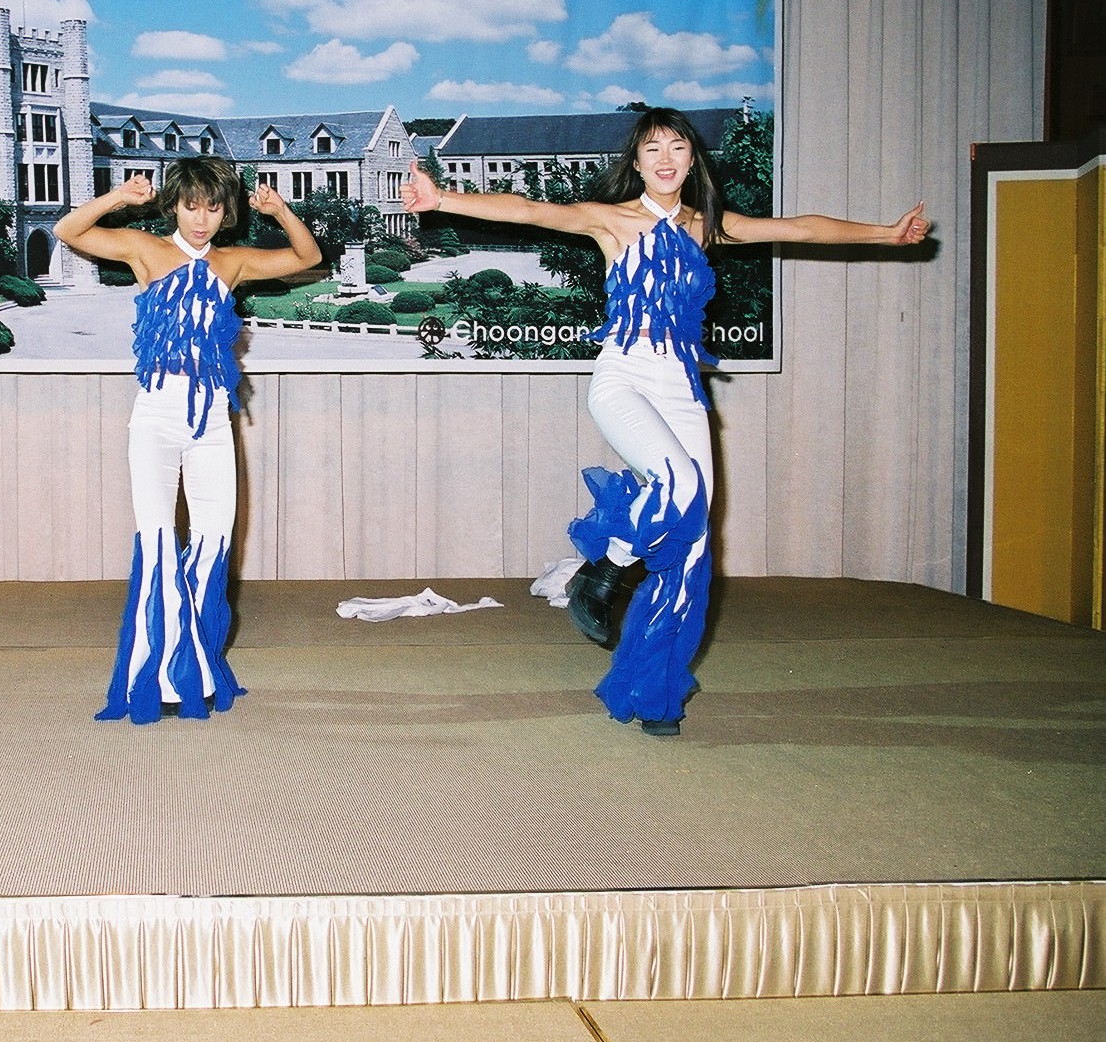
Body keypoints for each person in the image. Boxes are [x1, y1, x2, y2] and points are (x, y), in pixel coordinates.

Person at [401, 108, 929, 736]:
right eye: (653, 148)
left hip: (681, 386)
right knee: (677, 483)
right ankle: (604, 570)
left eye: (678, 147)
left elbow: (800, 227)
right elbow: (530, 211)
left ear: (691, 159)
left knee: (693, 540)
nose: (666, 159)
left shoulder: (708, 226)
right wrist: (442, 199)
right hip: (623, 375)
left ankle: (653, 691)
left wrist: (886, 234)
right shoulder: (614, 220)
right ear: (637, 162)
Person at [54, 159, 322, 724]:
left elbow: (307, 257)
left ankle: (193, 671)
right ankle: (154, 676)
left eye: (214, 207)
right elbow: (68, 231)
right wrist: (120, 197)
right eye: (191, 206)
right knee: (156, 542)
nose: (201, 219)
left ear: (227, 211)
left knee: (212, 540)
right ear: (173, 206)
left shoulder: (232, 262)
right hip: (155, 416)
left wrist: (280, 211)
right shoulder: (146, 250)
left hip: (212, 422)